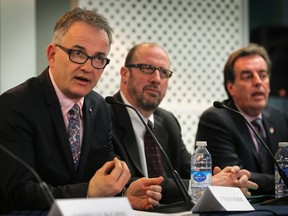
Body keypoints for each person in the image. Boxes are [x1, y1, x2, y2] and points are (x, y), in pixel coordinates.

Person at [0, 8, 164, 214]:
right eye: (78, 53)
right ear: (52, 55)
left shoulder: (101, 107)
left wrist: (125, 192)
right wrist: (89, 192)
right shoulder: (15, 105)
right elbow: (17, 192)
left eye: (99, 59)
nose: (88, 67)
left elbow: (103, 171)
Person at [110, 42, 258, 204]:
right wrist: (209, 184)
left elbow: (189, 171)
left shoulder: (168, 121)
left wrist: (226, 179)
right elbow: (128, 185)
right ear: (124, 73)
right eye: (147, 68)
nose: (156, 79)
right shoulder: (105, 116)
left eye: (164, 72)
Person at [195, 43, 288, 195]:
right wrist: (281, 180)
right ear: (231, 87)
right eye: (247, 77)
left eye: (263, 75)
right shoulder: (215, 119)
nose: (258, 82)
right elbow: (235, 178)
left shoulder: (279, 117)